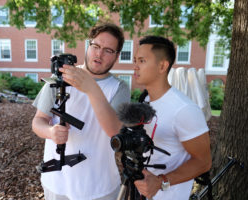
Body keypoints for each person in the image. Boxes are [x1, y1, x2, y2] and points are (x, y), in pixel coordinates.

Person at [32, 23, 131, 200]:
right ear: (88, 45)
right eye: (96, 46)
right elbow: (38, 121)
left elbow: (115, 132)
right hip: (57, 183)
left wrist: (91, 88)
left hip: (100, 187)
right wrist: (50, 132)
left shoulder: (119, 88)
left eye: (108, 50)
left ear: (116, 57)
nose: (99, 54)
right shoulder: (61, 77)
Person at [133, 36, 212, 200]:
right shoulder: (144, 101)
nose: (136, 66)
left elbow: (203, 162)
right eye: (135, 60)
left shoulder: (185, 109)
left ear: (162, 66)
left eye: (142, 61)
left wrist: (161, 181)